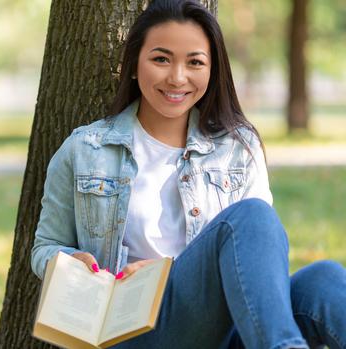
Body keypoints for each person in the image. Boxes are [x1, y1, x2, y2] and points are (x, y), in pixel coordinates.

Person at [30, 0, 346, 348]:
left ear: (212, 72)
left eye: (194, 62)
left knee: (323, 279)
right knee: (251, 215)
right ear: (134, 65)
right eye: (161, 59)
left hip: (227, 327)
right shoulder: (86, 150)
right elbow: (46, 246)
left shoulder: (238, 147)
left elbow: (259, 251)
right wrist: (73, 262)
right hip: (134, 330)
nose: (177, 77)